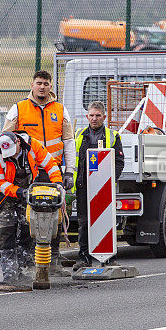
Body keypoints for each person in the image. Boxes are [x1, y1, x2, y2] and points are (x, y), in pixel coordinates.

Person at [3, 69, 75, 275]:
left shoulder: (61, 110)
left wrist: (69, 171)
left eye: (46, 83)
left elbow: (68, 143)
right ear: (32, 85)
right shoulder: (18, 109)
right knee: (29, 216)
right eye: (39, 83)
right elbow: (5, 140)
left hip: (53, 171)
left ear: (50, 86)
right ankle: (29, 261)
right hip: (27, 173)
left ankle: (53, 260)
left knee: (57, 216)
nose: (42, 87)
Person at [0, 131, 62, 284]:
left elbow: (50, 165)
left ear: (18, 142)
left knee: (27, 231)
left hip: (27, 192)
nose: (10, 156)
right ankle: (10, 274)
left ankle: (23, 270)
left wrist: (58, 184)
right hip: (3, 196)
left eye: (12, 152)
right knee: (7, 233)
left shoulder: (34, 146)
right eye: (6, 154)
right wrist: (18, 191)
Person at [72, 101, 124, 270]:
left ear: (104, 117)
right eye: (91, 115)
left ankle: (109, 258)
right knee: (84, 222)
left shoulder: (112, 136)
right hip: (83, 186)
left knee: (106, 221)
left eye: (98, 115)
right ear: (87, 116)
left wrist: (109, 181)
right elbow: (73, 161)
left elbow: (119, 162)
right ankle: (84, 258)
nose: (94, 119)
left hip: (104, 188)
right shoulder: (79, 135)